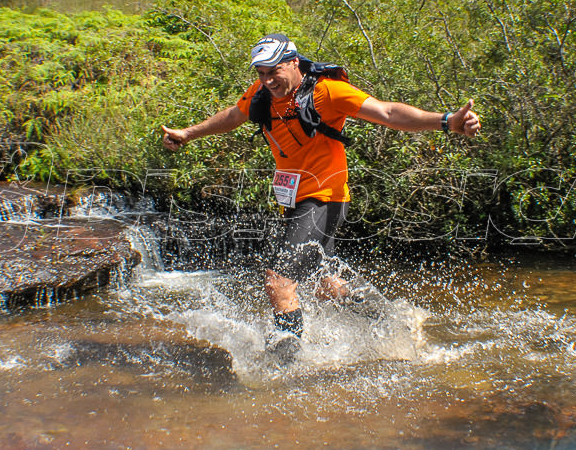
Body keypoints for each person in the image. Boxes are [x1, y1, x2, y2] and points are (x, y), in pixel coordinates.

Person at [161, 33, 480, 349]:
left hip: (323, 199)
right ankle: (390, 320)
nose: (268, 80)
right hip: (295, 200)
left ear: (294, 62)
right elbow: (233, 116)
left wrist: (447, 121)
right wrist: (188, 133)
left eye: (274, 72)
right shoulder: (261, 94)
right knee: (326, 286)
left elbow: (388, 113)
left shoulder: (327, 92)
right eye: (261, 74)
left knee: (279, 283)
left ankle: (284, 365)